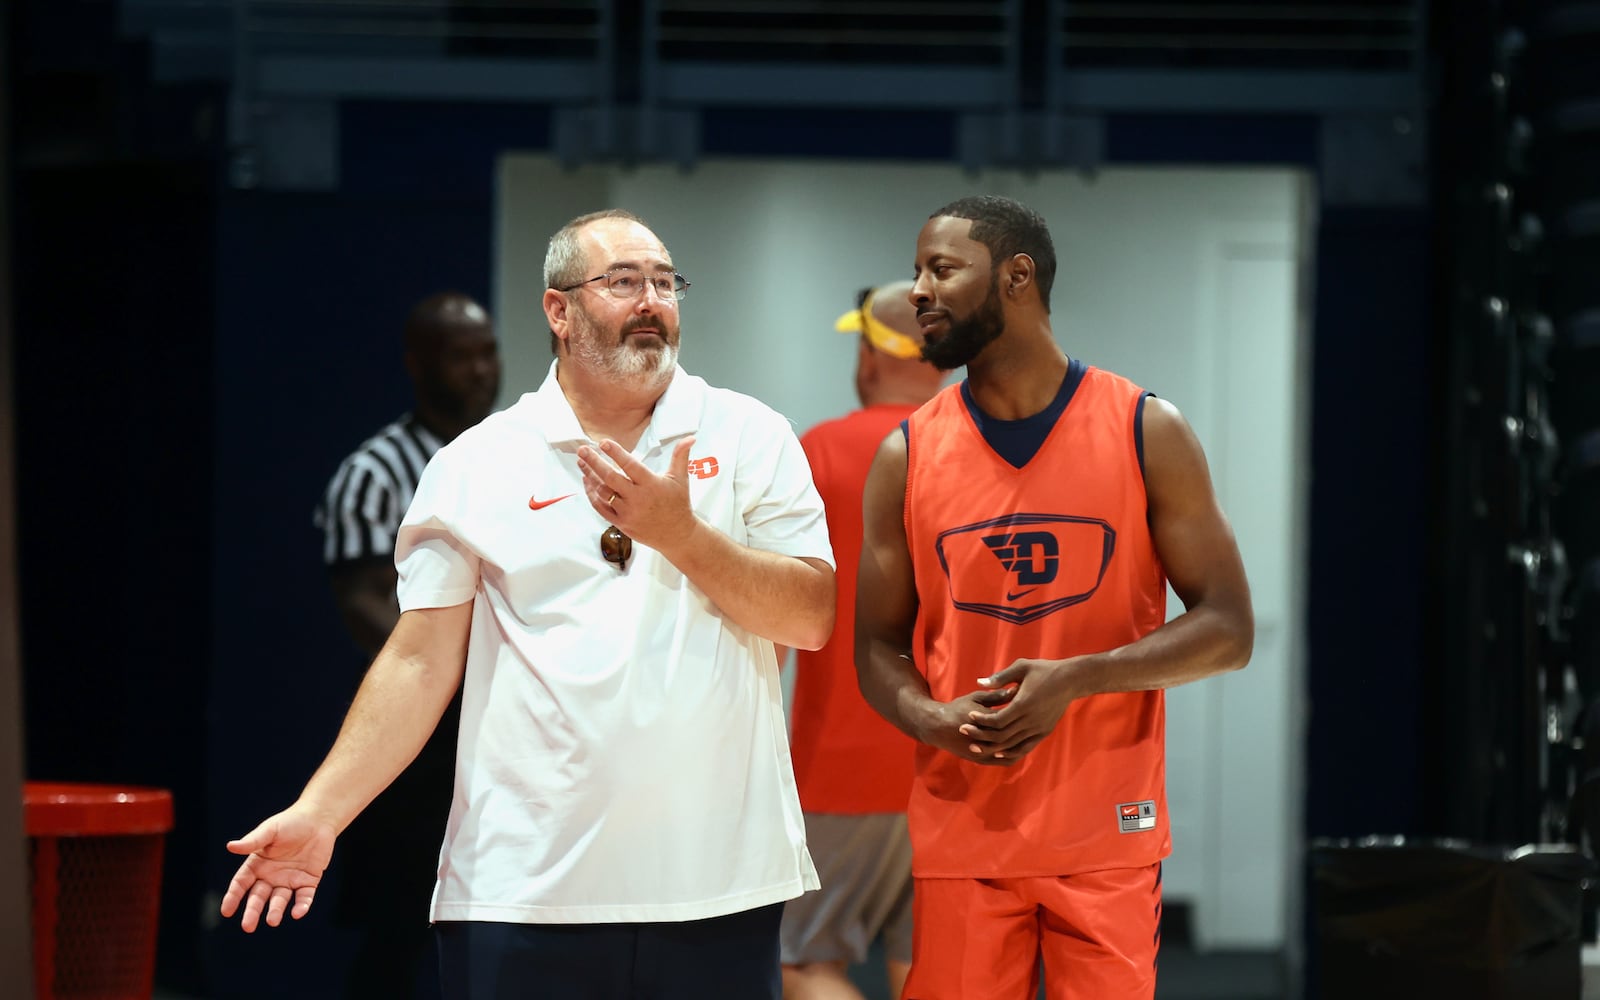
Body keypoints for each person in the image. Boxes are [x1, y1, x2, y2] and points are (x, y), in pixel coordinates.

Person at [222, 209, 837, 1000]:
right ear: (559, 310)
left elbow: (809, 617)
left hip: (718, 889)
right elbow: (417, 660)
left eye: (664, 282)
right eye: (622, 282)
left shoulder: (753, 435)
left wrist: (681, 535)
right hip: (522, 893)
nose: (652, 300)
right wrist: (321, 811)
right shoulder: (475, 463)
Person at [854, 195, 1255, 1000]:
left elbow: (1228, 627)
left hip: (1105, 834)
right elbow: (875, 646)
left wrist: (1077, 677)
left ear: (1017, 276)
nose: (918, 291)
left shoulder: (1146, 429)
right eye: (916, 271)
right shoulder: (907, 455)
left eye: (941, 268)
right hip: (965, 835)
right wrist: (927, 716)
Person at [311, 291, 501, 999]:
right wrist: (450, 667)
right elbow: (362, 601)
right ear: (418, 365)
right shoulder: (377, 472)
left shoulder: (523, 458)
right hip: (421, 739)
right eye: (461, 356)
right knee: (400, 928)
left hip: (513, 725)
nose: (481, 370)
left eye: (488, 352)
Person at [780, 282, 944, 1000]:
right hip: (953, 763)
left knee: (802, 960)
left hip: (838, 765)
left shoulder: (822, 450)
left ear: (871, 354)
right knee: (928, 971)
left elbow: (780, 613)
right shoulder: (985, 452)